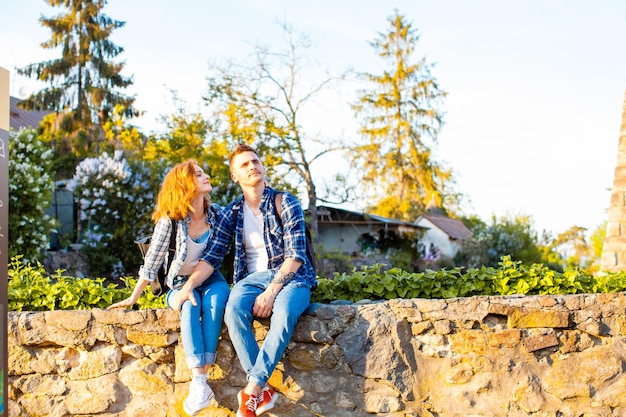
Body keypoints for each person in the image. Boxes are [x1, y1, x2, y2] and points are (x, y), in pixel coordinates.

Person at [187, 144, 317, 417]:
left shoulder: (285, 201)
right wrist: (186, 287)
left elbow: (295, 256)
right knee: (233, 310)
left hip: (292, 278)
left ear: (263, 166)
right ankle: (264, 391)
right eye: (244, 165)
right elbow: (211, 256)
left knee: (283, 313)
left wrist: (271, 291)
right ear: (235, 176)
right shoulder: (232, 213)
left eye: (255, 161)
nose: (252, 166)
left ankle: (253, 389)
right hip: (250, 281)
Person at [108, 160, 230, 416]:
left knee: (216, 302)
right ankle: (199, 382)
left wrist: (193, 285)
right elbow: (151, 262)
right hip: (176, 283)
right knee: (188, 305)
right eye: (198, 174)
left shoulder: (218, 215)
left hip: (209, 278)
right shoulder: (170, 220)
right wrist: (133, 297)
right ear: (185, 184)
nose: (206, 176)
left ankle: (202, 382)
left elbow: (213, 259)